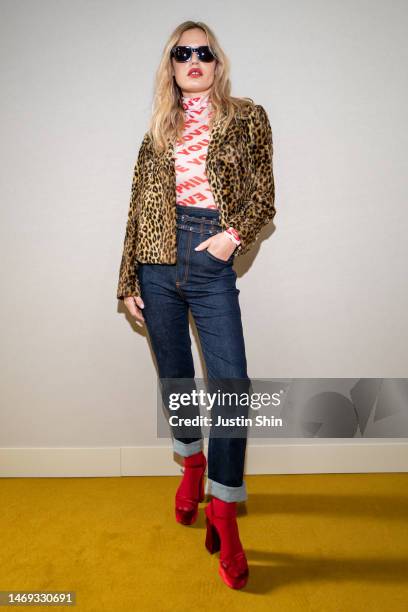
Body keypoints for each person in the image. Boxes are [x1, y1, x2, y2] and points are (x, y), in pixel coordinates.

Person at [117, 20, 276, 590]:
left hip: (210, 257)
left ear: (216, 61)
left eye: (202, 52)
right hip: (156, 262)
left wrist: (233, 236)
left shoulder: (247, 117)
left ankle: (225, 512)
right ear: (172, 65)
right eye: (182, 52)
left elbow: (264, 192)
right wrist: (126, 279)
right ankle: (192, 464)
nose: (193, 60)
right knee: (177, 378)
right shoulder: (157, 132)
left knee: (231, 384)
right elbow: (138, 209)